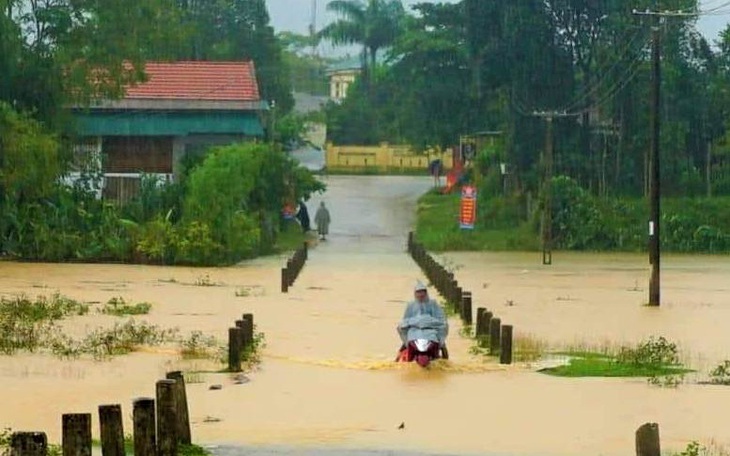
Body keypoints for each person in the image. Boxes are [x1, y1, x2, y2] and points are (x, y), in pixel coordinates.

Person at [397, 281, 448, 353]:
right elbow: (405, 319)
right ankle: (403, 349)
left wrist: (429, 321)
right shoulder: (411, 305)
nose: (420, 294)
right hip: (414, 329)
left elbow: (440, 318)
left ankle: (443, 350)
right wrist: (413, 322)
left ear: (426, 293)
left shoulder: (433, 303)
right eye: (418, 292)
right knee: (401, 330)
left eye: (422, 292)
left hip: (431, 329)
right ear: (415, 293)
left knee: (442, 341)